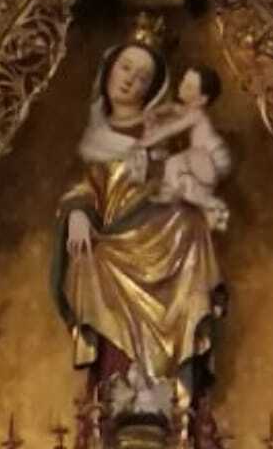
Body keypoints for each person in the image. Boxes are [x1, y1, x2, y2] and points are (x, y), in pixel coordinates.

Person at [52, 27, 226, 407]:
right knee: (88, 258)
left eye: (143, 77)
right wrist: (78, 214)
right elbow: (83, 185)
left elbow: (191, 172)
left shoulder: (166, 130)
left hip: (165, 230)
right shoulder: (91, 136)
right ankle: (113, 392)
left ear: (153, 89)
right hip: (113, 241)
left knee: (190, 227)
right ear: (109, 69)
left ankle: (175, 395)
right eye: (126, 68)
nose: (130, 80)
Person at [141, 65, 230, 231]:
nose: (181, 86)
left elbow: (170, 130)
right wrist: (154, 113)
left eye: (189, 87)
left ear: (202, 100)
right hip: (203, 156)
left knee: (174, 163)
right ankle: (173, 195)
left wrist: (143, 143)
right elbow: (171, 107)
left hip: (214, 156)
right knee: (180, 173)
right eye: (183, 81)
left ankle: (214, 207)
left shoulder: (197, 115)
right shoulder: (186, 109)